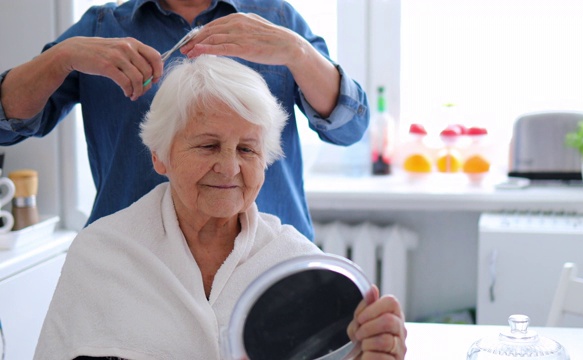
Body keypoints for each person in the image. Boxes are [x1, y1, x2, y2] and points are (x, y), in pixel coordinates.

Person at [34, 55, 404, 360]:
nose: (229, 167)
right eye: (208, 146)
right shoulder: (100, 254)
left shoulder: (295, 263)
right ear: (160, 156)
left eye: (247, 149)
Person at [0, 0, 369, 240]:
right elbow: (4, 125)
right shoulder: (101, 27)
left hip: (266, 267)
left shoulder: (276, 21)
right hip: (132, 270)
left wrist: (298, 53)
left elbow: (350, 128)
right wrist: (59, 58)